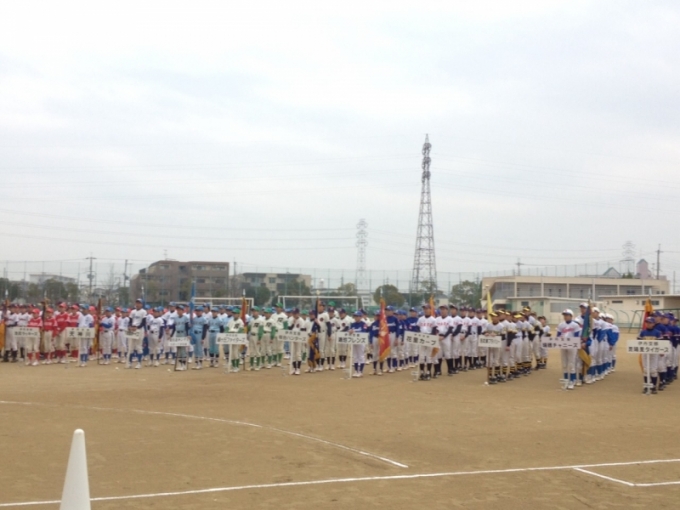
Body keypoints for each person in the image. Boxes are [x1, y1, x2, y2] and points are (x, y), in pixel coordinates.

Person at [557, 309, 581, 390]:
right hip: (563, 345)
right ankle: (566, 381)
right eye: (564, 315)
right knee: (564, 364)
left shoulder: (575, 325)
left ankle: (572, 381)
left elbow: (577, 336)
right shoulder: (561, 325)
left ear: (571, 316)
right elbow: (558, 335)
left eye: (567, 315)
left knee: (571, 364)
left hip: (572, 345)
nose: (565, 316)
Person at [416, 304, 438, 381]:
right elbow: (417, 328)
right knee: (421, 356)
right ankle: (422, 373)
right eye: (424, 309)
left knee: (429, 357)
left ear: (430, 310)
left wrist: (430, 338)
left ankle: (428, 373)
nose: (425, 310)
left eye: (427, 308)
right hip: (422, 337)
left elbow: (434, 331)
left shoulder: (433, 319)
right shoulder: (420, 319)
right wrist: (419, 334)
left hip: (429, 337)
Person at [127, 299, 147, 369]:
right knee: (131, 347)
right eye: (137, 303)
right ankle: (130, 363)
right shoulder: (133, 311)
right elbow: (130, 320)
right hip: (132, 329)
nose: (137, 304)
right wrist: (130, 326)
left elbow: (144, 322)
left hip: (139, 329)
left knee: (138, 346)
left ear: (142, 304)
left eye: (139, 303)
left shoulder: (143, 311)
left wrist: (137, 327)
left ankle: (139, 363)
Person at [170, 304, 191, 371]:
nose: (178, 311)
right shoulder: (175, 318)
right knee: (178, 349)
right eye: (178, 310)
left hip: (183, 334)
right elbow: (174, 328)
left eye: (180, 310)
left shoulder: (185, 318)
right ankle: (180, 364)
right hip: (178, 334)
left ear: (182, 311)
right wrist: (171, 335)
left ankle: (183, 365)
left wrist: (188, 335)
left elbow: (187, 327)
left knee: (183, 350)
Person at [349, 310, 369, 377]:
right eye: (355, 316)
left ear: (360, 317)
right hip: (354, 342)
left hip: (361, 342)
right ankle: (356, 370)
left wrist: (355, 332)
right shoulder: (352, 324)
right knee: (355, 356)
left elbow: (364, 331)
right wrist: (350, 331)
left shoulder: (363, 324)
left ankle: (360, 371)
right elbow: (349, 330)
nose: (356, 317)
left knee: (361, 356)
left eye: (357, 316)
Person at [190, 306, 209, 370]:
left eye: (199, 311)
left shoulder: (204, 319)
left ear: (202, 312)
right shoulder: (194, 319)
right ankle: (196, 363)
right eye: (196, 311)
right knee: (195, 349)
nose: (197, 312)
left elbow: (205, 329)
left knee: (200, 349)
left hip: (200, 334)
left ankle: (200, 364)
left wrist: (203, 338)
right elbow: (191, 327)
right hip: (194, 334)